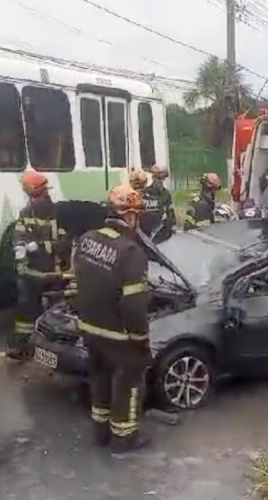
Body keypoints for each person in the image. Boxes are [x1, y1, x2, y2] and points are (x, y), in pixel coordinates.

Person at [73, 184, 152, 455]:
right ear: (129, 215)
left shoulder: (86, 240)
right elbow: (133, 304)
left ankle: (100, 432)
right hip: (118, 335)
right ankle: (124, 438)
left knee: (100, 379)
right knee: (128, 383)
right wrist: (140, 338)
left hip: (89, 329)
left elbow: (77, 282)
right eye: (137, 214)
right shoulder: (131, 251)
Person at [9, 167, 72, 360]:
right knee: (26, 309)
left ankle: (55, 351)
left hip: (54, 272)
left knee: (56, 312)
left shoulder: (58, 213)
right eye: (33, 196)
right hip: (32, 272)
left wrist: (42, 246)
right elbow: (19, 235)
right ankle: (23, 347)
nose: (36, 200)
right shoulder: (26, 212)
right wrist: (20, 249)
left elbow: (64, 242)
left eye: (37, 196)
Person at [130, 168, 175, 242]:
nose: (160, 181)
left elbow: (169, 211)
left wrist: (171, 224)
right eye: (158, 178)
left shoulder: (165, 194)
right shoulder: (146, 193)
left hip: (157, 232)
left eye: (162, 179)